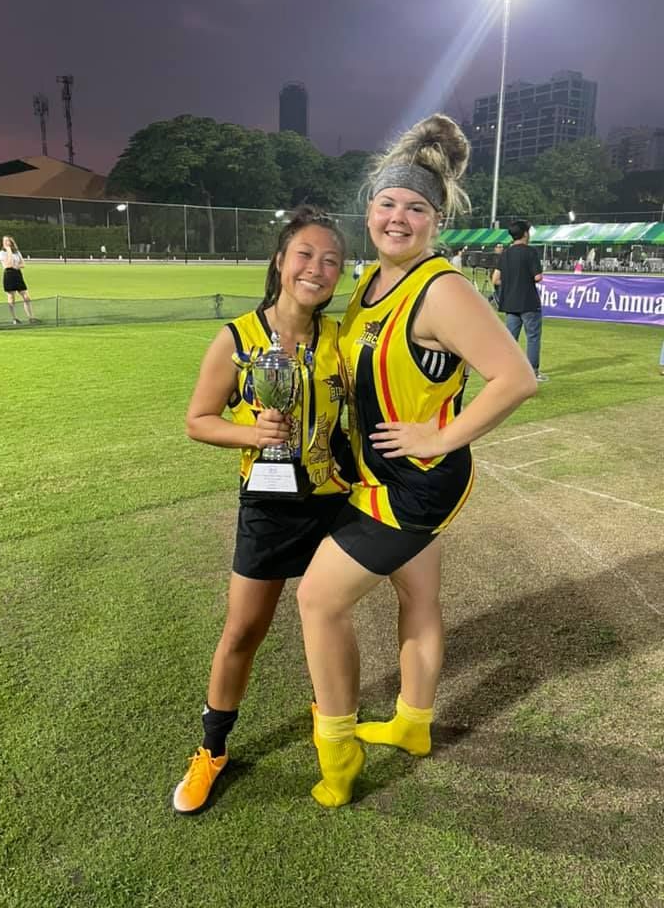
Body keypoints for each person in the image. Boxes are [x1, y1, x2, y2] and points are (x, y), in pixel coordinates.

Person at [295, 114, 537, 808]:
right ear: (369, 209)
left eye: (416, 208)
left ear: (437, 221)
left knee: (318, 599)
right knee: (418, 597)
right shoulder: (372, 281)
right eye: (388, 203)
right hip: (377, 476)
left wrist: (438, 438)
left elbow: (516, 377)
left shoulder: (443, 288)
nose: (398, 216)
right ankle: (414, 724)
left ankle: (337, 754)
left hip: (417, 483)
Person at [172, 206, 352, 815]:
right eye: (305, 254)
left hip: (335, 502)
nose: (317, 268)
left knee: (327, 622)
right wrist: (252, 433)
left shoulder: (344, 338)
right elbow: (198, 422)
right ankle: (212, 751)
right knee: (243, 631)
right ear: (280, 260)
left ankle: (331, 722)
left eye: (331, 260)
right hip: (270, 504)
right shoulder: (237, 339)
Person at [491, 220, 548, 383]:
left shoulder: (506, 253)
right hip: (528, 301)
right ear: (524, 234)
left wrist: (511, 282)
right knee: (533, 337)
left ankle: (507, 370)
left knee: (510, 339)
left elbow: (495, 279)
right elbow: (538, 277)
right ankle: (532, 371)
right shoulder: (530, 252)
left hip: (510, 302)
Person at [0, 236, 36, 324]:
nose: (6, 242)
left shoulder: (17, 252)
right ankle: (14, 318)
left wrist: (17, 266)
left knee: (26, 297)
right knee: (11, 297)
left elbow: (23, 264)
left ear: (11, 242)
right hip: (9, 275)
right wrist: (9, 251)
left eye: (7, 241)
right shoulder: (2, 253)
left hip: (17, 274)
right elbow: (8, 264)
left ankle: (31, 317)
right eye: (4, 241)